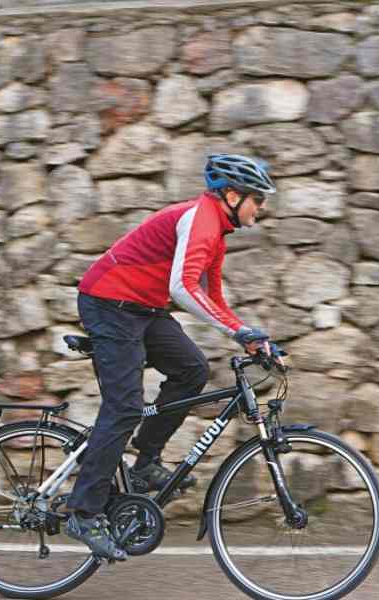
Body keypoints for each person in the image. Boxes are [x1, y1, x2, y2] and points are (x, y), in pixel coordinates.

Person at [64, 154, 279, 561]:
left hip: (142, 308)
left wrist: (250, 337)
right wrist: (236, 332)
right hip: (109, 303)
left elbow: (213, 297)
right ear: (232, 195)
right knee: (124, 407)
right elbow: (182, 287)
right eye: (258, 199)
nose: (261, 208)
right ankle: (84, 512)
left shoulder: (217, 231)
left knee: (192, 369)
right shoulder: (201, 218)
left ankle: (145, 461)